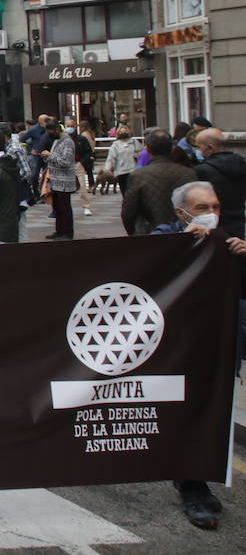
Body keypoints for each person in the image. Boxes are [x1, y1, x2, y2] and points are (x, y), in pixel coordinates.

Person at [146, 181, 246, 531]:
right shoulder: (165, 234)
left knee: (207, 409)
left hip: (216, 342)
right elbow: (142, 270)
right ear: (181, 212)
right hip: (174, 346)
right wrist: (179, 247)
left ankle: (194, 479)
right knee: (182, 410)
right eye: (203, 208)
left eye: (216, 207)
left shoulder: (230, 241)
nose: (212, 215)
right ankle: (192, 486)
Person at [121, 128, 196, 236]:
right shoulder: (189, 173)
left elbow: (128, 212)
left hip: (150, 234)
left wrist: (133, 233)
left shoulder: (139, 176)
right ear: (171, 148)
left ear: (148, 150)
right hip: (184, 233)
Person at [194, 128, 246, 239]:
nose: (196, 150)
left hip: (217, 229)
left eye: (198, 147)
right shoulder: (242, 164)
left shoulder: (202, 171)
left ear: (210, 148)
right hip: (241, 227)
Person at [39, 121, 78, 240]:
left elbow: (66, 161)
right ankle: (59, 230)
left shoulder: (67, 142)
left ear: (56, 130)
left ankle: (67, 232)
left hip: (64, 181)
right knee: (57, 207)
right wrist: (47, 157)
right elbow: (54, 158)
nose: (48, 134)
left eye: (50, 131)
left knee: (65, 207)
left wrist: (50, 156)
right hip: (55, 180)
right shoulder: (56, 141)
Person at [102, 126, 138, 194]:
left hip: (133, 170)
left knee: (134, 192)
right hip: (121, 171)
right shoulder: (115, 145)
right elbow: (111, 157)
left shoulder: (134, 142)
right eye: (121, 132)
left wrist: (138, 155)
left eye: (125, 131)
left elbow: (142, 153)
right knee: (125, 192)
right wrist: (108, 168)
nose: (123, 133)